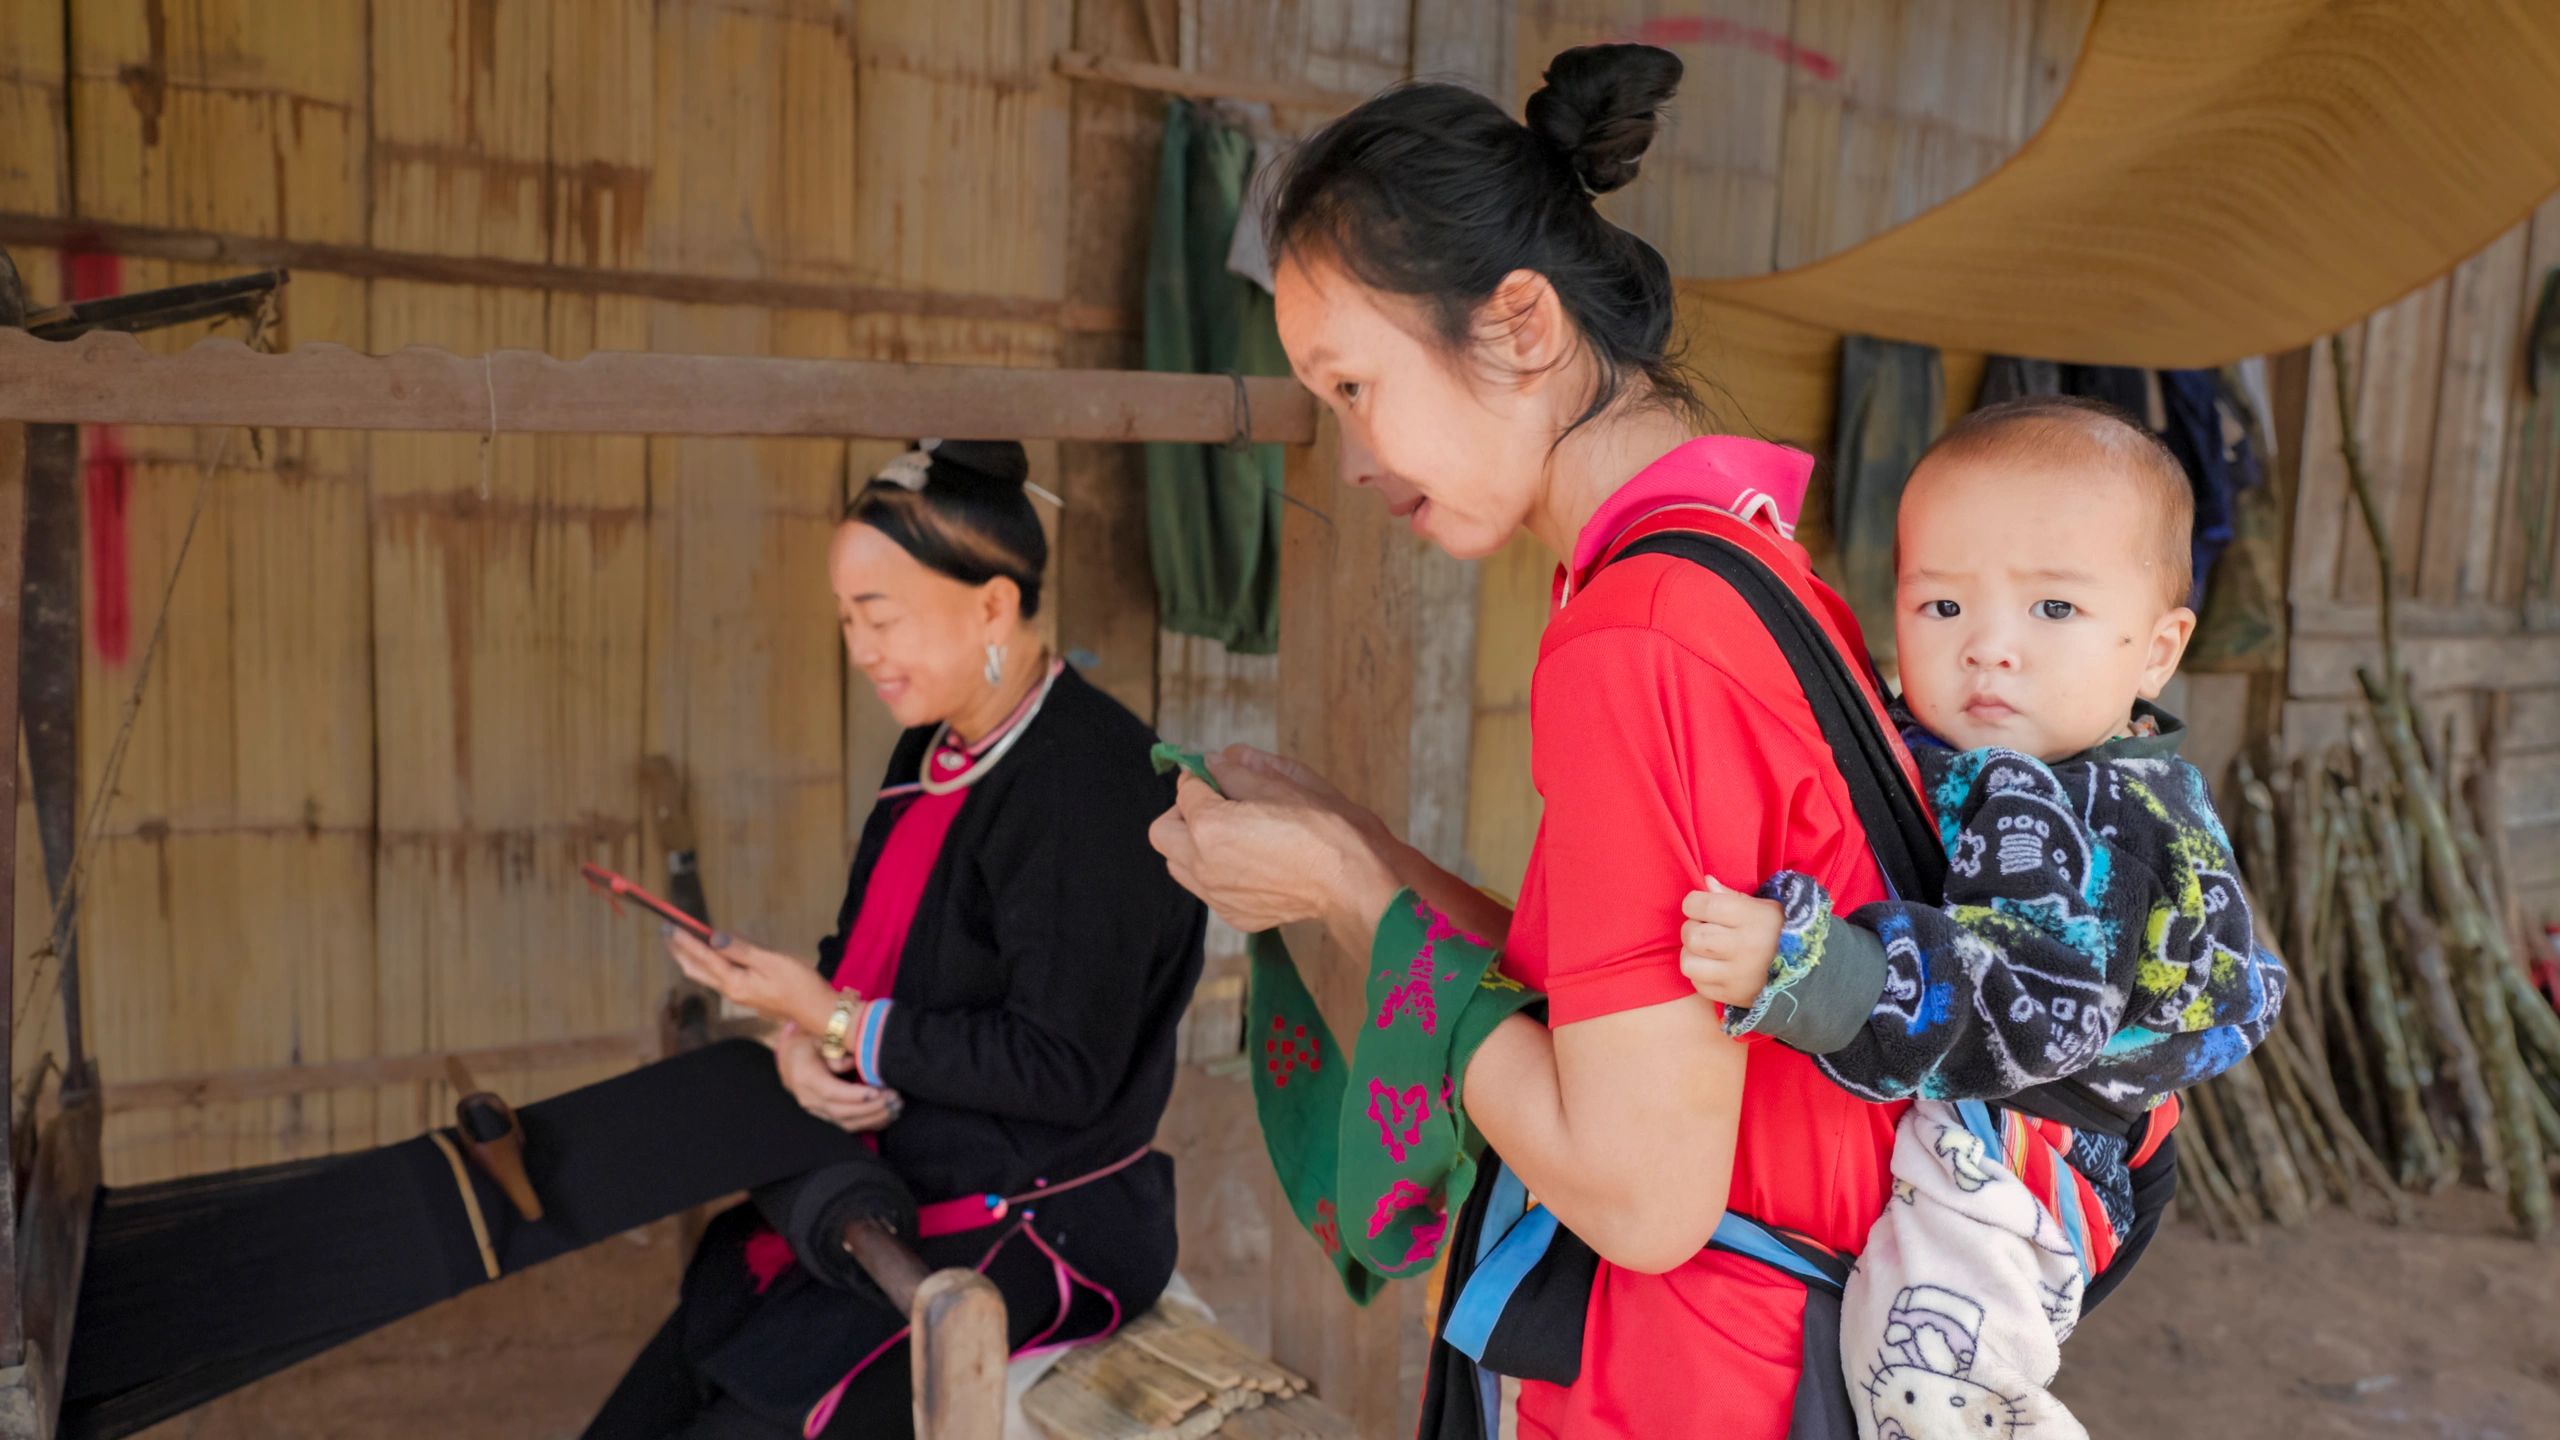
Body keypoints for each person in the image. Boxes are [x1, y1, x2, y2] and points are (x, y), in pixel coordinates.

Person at [1146, 45, 1912, 1439]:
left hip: (1691, 1384)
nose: (1356, 457)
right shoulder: (1744, 574)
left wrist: (1346, 897)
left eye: (1353, 387)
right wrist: (1356, 845)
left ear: (1519, 325)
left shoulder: (1638, 640)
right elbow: (1629, 1016)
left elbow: (1636, 1194)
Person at [1677, 397, 2286, 1440]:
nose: (1987, 649)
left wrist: (1818, 974)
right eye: (1941, 607)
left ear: (2156, 649)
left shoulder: (2101, 818)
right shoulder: (1990, 753)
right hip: (2003, 1129)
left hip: (2035, 1153)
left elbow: (2038, 1004)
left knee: (1926, 1385)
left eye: (2053, 610)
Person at [588, 439, 1209, 1440]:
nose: (859, 648)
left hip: (1032, 1223)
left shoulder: (1089, 786)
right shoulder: (934, 748)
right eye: (845, 617)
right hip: (885, 1184)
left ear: (992, 608)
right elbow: (861, 958)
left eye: (879, 616)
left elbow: (1061, 1068)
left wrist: (828, 1014)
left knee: (748, 1411)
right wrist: (804, 1041)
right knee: (674, 1372)